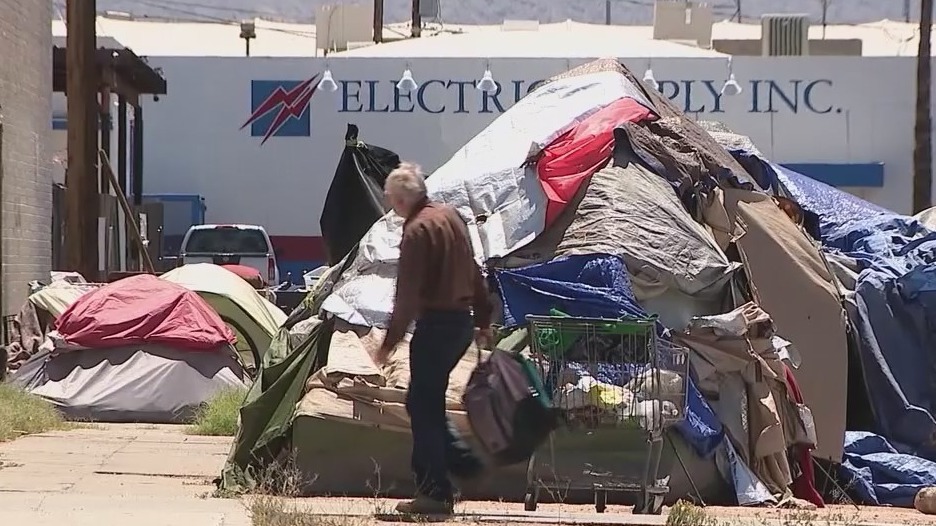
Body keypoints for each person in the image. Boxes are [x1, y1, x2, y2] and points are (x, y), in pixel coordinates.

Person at [374, 161, 493, 516]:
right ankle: (460, 461)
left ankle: (434, 492)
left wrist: (390, 341)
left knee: (423, 408)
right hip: (460, 324)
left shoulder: (416, 231)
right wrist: (484, 316)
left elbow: (407, 294)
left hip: (436, 327)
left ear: (398, 200)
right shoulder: (452, 217)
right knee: (424, 402)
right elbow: (473, 269)